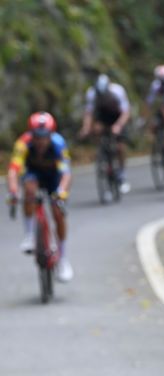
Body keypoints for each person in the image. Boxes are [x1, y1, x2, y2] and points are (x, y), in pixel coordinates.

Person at [6, 112, 73, 281]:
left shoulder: (59, 143)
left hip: (53, 177)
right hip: (33, 174)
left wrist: (61, 192)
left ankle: (63, 259)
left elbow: (66, 173)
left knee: (58, 212)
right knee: (29, 191)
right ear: (31, 134)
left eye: (45, 137)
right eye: (37, 136)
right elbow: (13, 170)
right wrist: (13, 191)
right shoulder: (23, 144)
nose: (41, 141)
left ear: (51, 134)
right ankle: (29, 235)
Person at [79, 73, 131, 194]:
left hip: (117, 116)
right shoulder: (92, 93)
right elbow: (89, 113)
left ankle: (121, 174)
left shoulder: (117, 91)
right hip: (103, 117)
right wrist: (86, 128)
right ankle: (103, 154)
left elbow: (126, 112)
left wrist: (118, 126)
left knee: (120, 147)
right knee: (97, 130)